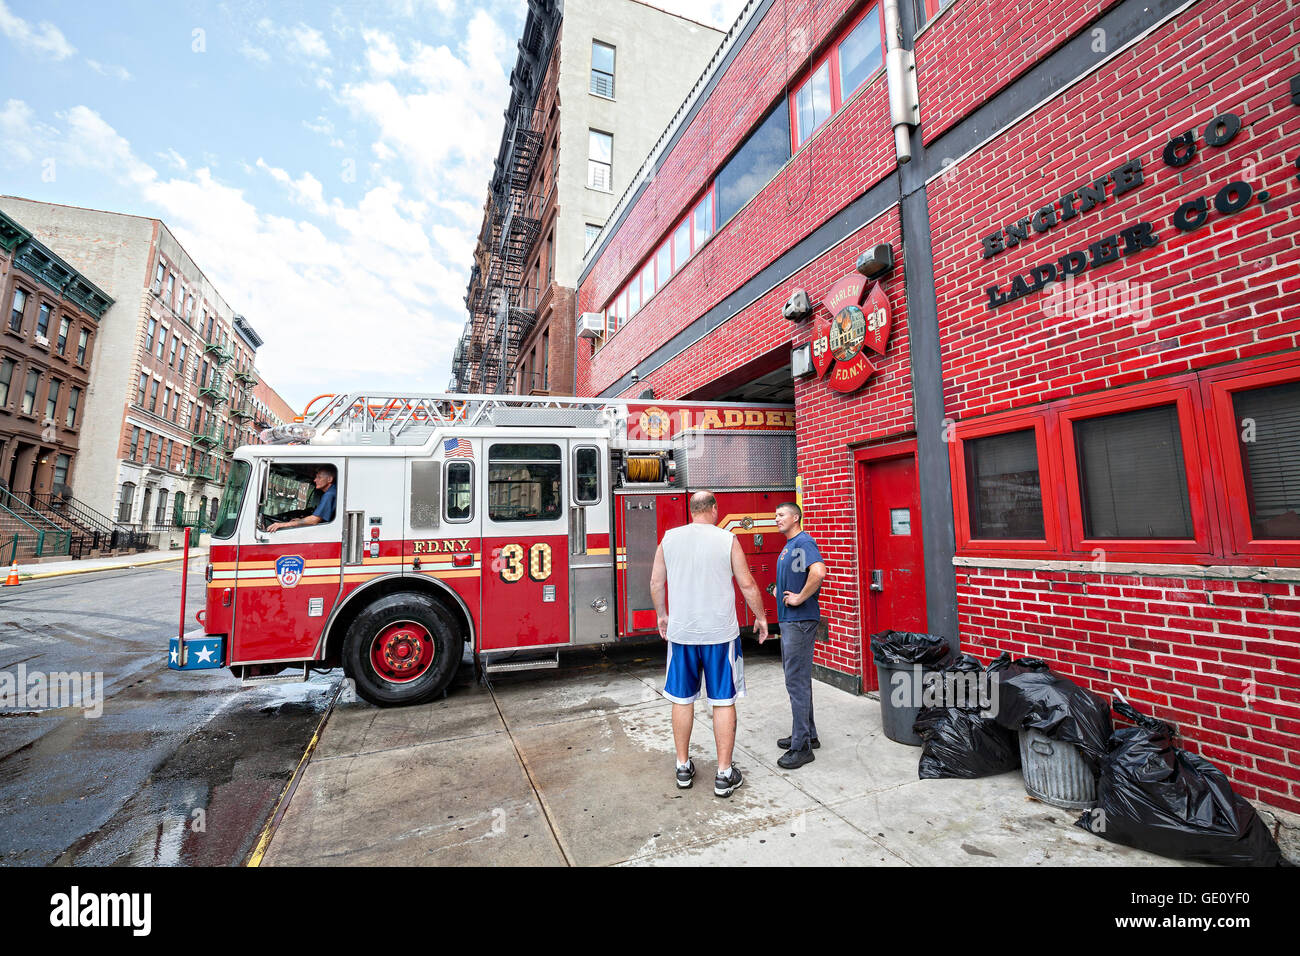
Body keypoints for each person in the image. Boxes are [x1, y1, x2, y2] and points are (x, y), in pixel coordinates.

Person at [650, 490, 769, 798]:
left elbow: (656, 582)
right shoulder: (727, 539)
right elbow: (746, 583)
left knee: (681, 698)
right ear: (714, 509)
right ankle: (724, 774)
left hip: (682, 633)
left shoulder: (669, 538)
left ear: (691, 510)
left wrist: (663, 616)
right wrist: (761, 617)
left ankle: (682, 767)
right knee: (723, 701)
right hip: (720, 635)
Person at [773, 501, 827, 769]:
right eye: (775, 515)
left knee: (796, 682)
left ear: (796, 517)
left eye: (781, 515)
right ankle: (808, 735)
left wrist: (798, 599)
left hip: (799, 621)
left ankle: (802, 747)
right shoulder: (789, 545)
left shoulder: (803, 542)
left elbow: (818, 572)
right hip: (791, 621)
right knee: (799, 680)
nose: (776, 519)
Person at [268, 465, 337, 532]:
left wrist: (283, 524)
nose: (315, 480)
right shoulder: (334, 490)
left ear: (329, 479)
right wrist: (301, 520)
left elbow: (314, 520)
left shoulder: (329, 494)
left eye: (319, 477)